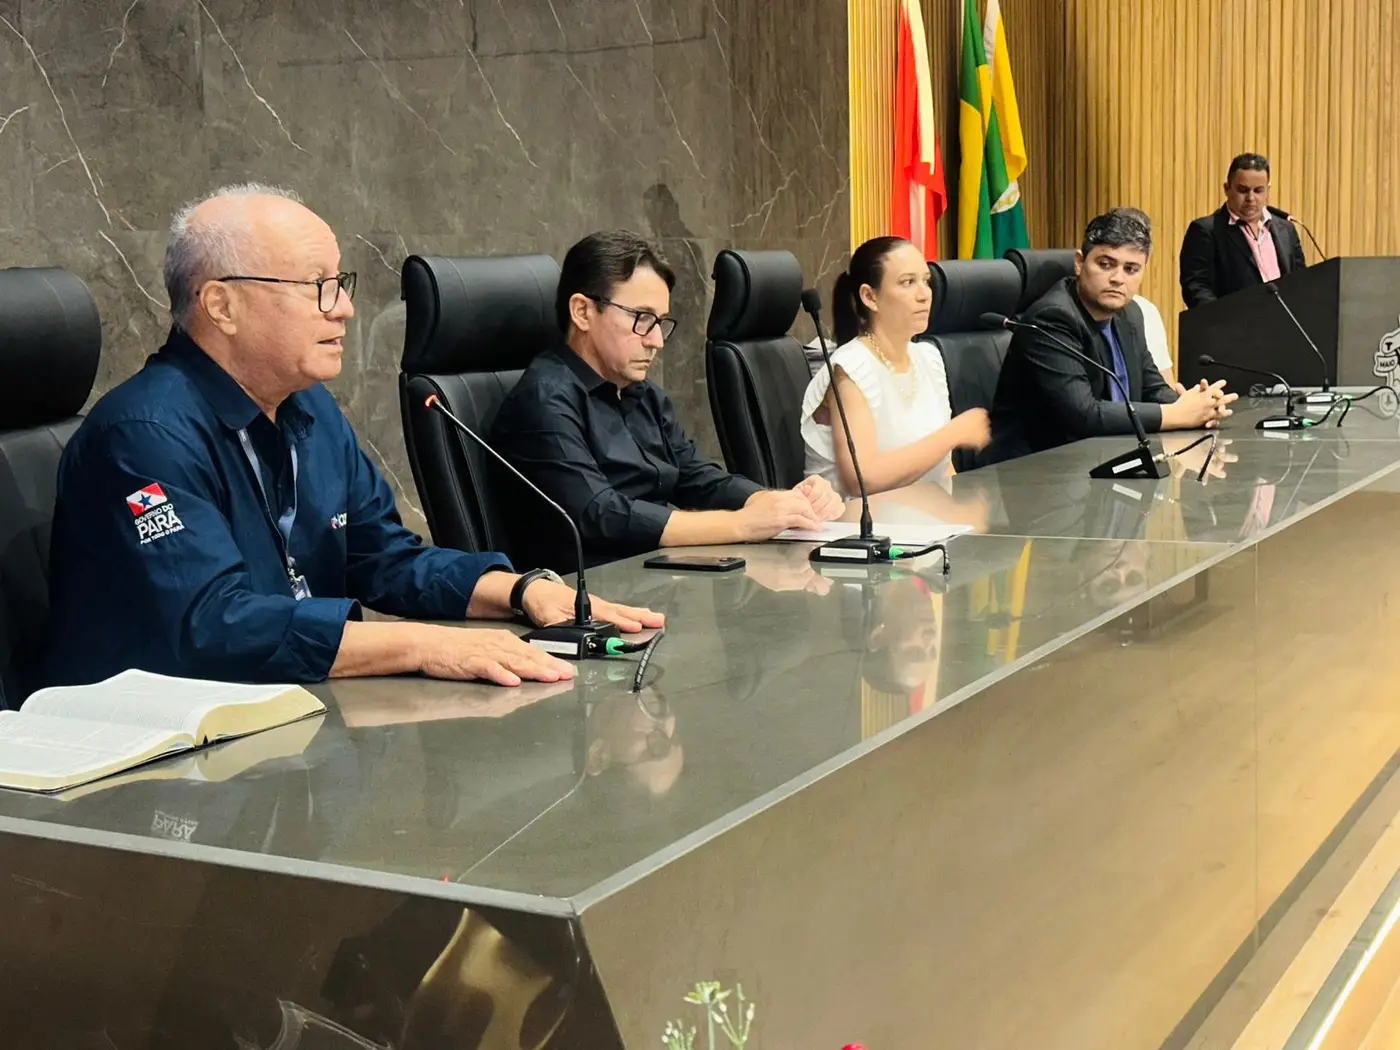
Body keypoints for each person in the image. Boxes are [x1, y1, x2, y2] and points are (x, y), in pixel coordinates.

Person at [43, 185, 663, 690]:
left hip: (288, 714)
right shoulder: (144, 436)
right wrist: (423, 645)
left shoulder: (308, 407)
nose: (344, 308)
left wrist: (524, 591)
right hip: (150, 760)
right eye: (317, 286)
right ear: (222, 306)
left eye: (342, 283)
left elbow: (383, 557)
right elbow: (213, 625)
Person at [490, 230, 844, 569]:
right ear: (583, 312)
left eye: (659, 322)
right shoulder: (543, 400)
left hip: (658, 571)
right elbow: (600, 514)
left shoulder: (641, 393)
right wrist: (743, 524)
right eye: (642, 319)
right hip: (590, 590)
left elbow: (695, 476)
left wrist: (774, 502)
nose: (656, 341)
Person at [988, 208, 1237, 463]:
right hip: (1038, 469)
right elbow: (1083, 415)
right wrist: (1176, 415)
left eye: (1131, 269)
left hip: (1104, 458)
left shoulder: (1130, 313)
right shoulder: (1052, 318)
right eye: (1106, 264)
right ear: (1079, 262)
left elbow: (1152, 387)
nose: (1118, 279)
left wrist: (1197, 406)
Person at [799, 236, 991, 496]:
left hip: (925, 513)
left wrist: (958, 506)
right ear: (870, 297)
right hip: (858, 518)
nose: (924, 295)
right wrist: (953, 434)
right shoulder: (850, 368)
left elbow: (942, 468)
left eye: (926, 281)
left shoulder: (929, 358)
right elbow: (862, 478)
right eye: (907, 282)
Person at [1179, 153, 1308, 308]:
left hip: (1282, 320)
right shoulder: (1206, 231)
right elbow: (1197, 288)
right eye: (1243, 190)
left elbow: (1301, 281)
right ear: (1227, 189)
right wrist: (1224, 319)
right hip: (1234, 321)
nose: (1250, 198)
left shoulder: (1286, 229)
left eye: (1258, 191)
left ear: (1268, 190)